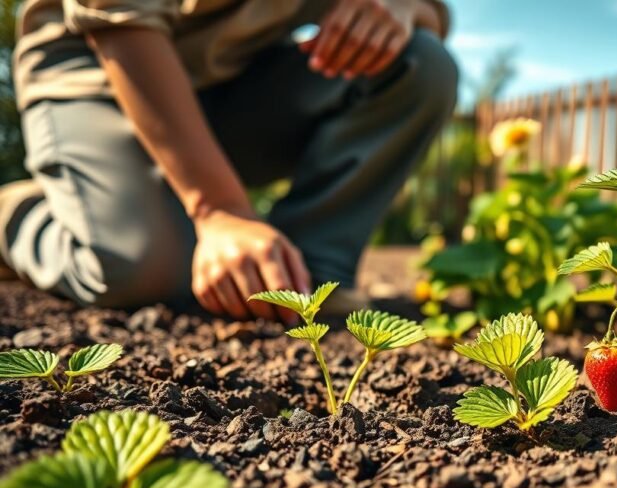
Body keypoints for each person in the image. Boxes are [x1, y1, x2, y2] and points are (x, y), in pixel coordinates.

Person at [0, 0, 457, 324]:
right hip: (97, 70)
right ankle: (18, 214)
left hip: (235, 79)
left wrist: (403, 6)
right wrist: (219, 208)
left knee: (421, 62)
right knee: (142, 272)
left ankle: (307, 274)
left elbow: (434, 13)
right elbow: (118, 19)